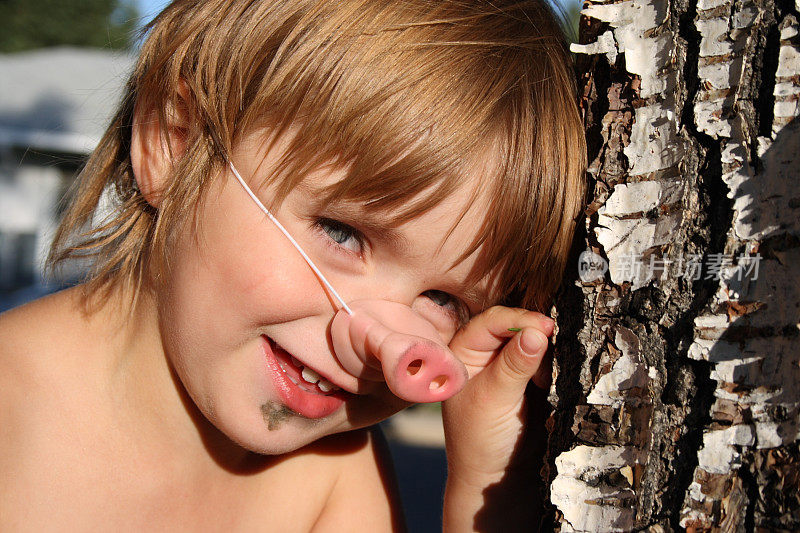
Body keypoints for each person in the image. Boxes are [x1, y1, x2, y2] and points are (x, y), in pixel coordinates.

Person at [0, 0, 586, 530]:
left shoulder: (333, 478)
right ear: (173, 143)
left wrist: (487, 491)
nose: (387, 344)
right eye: (342, 232)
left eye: (444, 301)